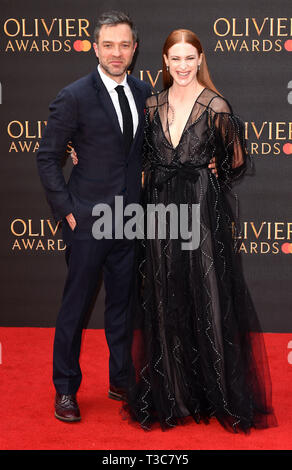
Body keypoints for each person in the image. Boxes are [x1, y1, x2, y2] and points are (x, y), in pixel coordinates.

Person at [121, 29, 277, 433]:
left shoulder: (216, 105)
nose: (184, 66)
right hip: (158, 210)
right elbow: (143, 157)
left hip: (202, 210)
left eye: (191, 58)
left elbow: (237, 160)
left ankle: (217, 392)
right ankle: (172, 391)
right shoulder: (151, 104)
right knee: (163, 294)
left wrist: (213, 170)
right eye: (176, 59)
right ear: (165, 61)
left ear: (200, 59)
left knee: (208, 293)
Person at [36, 11, 152, 422]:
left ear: (134, 49)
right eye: (108, 45)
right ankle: (65, 389)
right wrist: (67, 211)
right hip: (86, 220)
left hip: (130, 219)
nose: (116, 52)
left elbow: (142, 152)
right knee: (76, 306)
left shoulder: (143, 91)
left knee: (122, 304)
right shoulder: (75, 95)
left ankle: (120, 378)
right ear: (95, 47)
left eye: (124, 45)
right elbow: (48, 157)